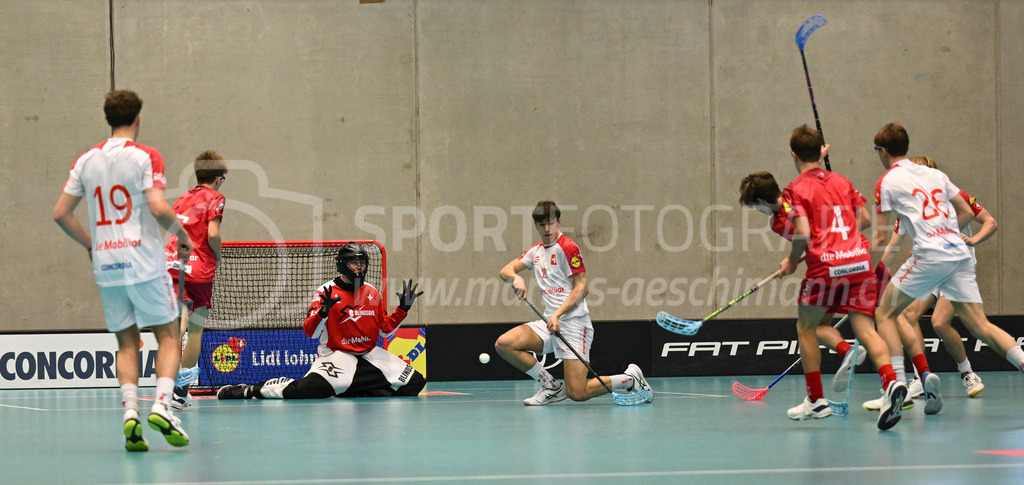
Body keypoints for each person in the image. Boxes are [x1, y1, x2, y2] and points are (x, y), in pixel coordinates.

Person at [53, 90, 195, 451]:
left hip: (107, 265)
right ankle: (162, 405)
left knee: (126, 342)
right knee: (166, 335)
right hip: (144, 261)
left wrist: (91, 244)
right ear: (138, 118)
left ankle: (130, 414)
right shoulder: (146, 156)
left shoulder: (86, 161)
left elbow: (61, 214)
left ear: (108, 118)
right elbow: (159, 207)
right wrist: (182, 235)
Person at [871, 123, 1024, 411]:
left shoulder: (888, 182)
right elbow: (965, 210)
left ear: (883, 152)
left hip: (930, 255)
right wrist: (949, 233)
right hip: (959, 255)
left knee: (885, 312)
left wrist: (868, 271)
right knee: (981, 325)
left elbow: (882, 240)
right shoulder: (936, 175)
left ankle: (896, 385)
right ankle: (1021, 360)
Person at [773, 125, 904, 430]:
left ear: (793, 154)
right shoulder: (843, 181)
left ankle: (816, 401)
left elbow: (803, 233)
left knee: (807, 326)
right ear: (822, 151)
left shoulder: (795, 189)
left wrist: (792, 260)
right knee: (866, 330)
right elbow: (867, 220)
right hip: (858, 265)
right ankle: (890, 383)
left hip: (825, 270)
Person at [217, 243, 426, 399]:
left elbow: (384, 330)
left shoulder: (372, 292)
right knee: (304, 390)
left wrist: (402, 310)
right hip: (338, 355)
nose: (359, 267)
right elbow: (311, 332)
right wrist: (323, 312)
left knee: (416, 382)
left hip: (369, 355)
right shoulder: (325, 291)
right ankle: (250, 389)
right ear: (342, 265)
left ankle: (355, 390)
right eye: (354, 262)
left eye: (362, 263)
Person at [494, 200, 653, 405]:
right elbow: (504, 271)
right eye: (542, 224)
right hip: (549, 323)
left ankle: (630, 380)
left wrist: (558, 314)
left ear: (559, 222)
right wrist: (516, 278)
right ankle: (551, 386)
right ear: (536, 226)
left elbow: (582, 287)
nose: (547, 228)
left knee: (577, 393)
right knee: (504, 344)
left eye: (551, 222)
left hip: (575, 325)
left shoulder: (567, 247)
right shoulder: (536, 252)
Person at [739, 172, 868, 393]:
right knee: (827, 325)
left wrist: (791, 261)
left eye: (754, 207)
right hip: (860, 255)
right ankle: (863, 361)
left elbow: (809, 239)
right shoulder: (802, 193)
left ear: (760, 202)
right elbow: (814, 239)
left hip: (831, 267)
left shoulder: (778, 221)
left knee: (810, 326)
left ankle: (820, 392)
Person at [164, 150, 228, 410]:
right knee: (196, 328)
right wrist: (218, 257)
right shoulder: (216, 197)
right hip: (200, 269)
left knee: (177, 325)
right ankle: (181, 390)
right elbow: (213, 234)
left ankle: (169, 382)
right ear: (218, 178)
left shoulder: (182, 199)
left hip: (172, 264)